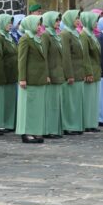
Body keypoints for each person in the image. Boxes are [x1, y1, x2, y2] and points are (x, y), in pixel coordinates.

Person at [17, 15, 49, 143]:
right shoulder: (25, 39)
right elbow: (22, 60)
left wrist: (46, 74)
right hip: (29, 78)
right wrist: (22, 78)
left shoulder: (38, 38)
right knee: (28, 107)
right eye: (37, 24)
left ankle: (36, 131)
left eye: (40, 24)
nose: (39, 27)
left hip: (39, 78)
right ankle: (27, 132)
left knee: (37, 107)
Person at [60, 10, 85, 135]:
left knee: (76, 101)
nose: (78, 21)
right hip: (72, 73)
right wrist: (69, 74)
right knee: (69, 102)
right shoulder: (65, 34)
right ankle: (68, 126)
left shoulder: (76, 33)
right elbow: (66, 56)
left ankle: (76, 125)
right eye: (76, 18)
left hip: (79, 71)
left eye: (79, 18)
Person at [41, 11, 64, 139]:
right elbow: (43, 56)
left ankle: (55, 129)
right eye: (56, 20)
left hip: (58, 73)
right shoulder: (46, 35)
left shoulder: (56, 35)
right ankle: (48, 129)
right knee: (50, 104)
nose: (58, 23)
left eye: (59, 20)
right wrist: (46, 74)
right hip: (50, 73)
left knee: (56, 104)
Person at [80, 12, 101, 133]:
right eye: (94, 21)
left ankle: (93, 123)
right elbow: (85, 56)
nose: (96, 23)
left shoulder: (92, 35)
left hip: (96, 70)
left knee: (94, 99)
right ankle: (87, 123)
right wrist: (88, 72)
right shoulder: (84, 35)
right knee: (88, 99)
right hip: (90, 71)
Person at [0, 14, 17, 132]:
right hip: (5, 72)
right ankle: (3, 123)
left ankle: (9, 123)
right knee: (4, 100)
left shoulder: (9, 36)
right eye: (8, 22)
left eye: (11, 23)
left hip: (12, 72)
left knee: (10, 99)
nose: (11, 25)